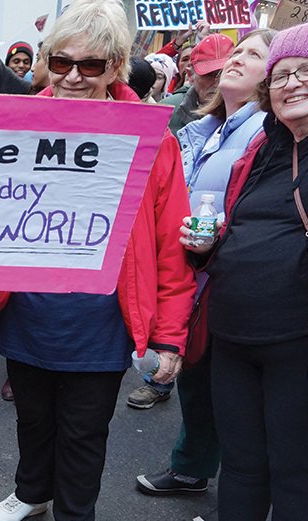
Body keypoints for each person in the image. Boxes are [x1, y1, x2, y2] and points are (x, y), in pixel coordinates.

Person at [0, 1, 196, 520]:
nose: (73, 76)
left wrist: (168, 336)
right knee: (31, 420)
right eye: (61, 62)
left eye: (90, 65)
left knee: (83, 434)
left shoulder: (152, 142)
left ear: (117, 66)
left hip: (101, 322)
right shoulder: (17, 126)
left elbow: (170, 248)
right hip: (30, 312)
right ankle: (32, 493)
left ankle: (75, 512)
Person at [131, 28, 275, 498]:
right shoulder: (199, 127)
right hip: (188, 273)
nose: (237, 59)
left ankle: (238, 492)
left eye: (254, 54)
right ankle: (191, 470)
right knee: (196, 380)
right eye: (237, 50)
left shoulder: (267, 132)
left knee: (229, 393)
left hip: (227, 279)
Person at [177, 23, 308, 521]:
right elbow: (235, 231)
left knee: (294, 471)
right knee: (242, 465)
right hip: (232, 337)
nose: (292, 84)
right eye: (282, 76)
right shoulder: (259, 150)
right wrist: (204, 247)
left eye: (305, 73)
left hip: (295, 343)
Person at [162, 34, 233, 135]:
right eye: (209, 75)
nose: (217, 83)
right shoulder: (165, 111)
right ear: (190, 75)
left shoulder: (252, 118)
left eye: (223, 74)